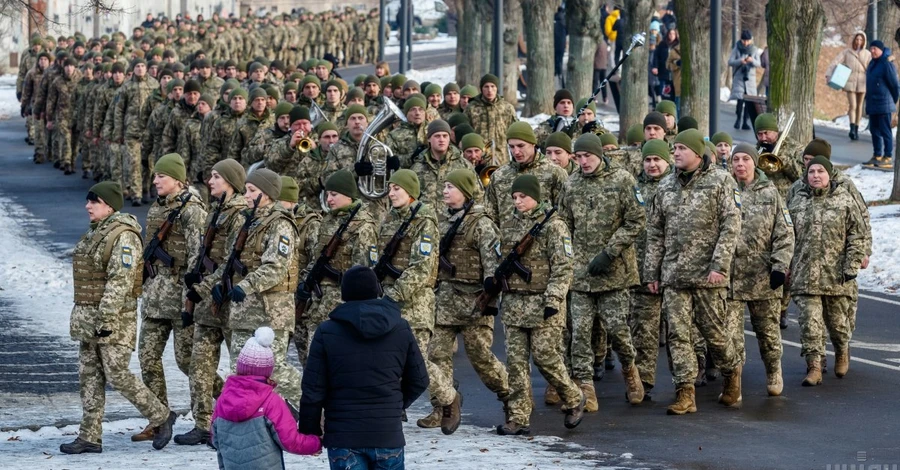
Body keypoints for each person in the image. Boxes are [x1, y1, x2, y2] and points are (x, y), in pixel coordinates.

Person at [61, 182, 176, 454]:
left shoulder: (123, 236)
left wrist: (106, 320)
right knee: (89, 378)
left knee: (117, 374)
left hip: (112, 321)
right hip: (88, 319)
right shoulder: (97, 232)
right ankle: (89, 436)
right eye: (89, 201)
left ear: (109, 205)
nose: (88, 206)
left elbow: (120, 282)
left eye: (94, 202)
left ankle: (161, 415)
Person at [644, 129, 743, 415]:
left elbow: (731, 226)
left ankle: (731, 370)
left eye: (681, 149)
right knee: (677, 335)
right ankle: (685, 392)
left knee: (714, 335)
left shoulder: (721, 181)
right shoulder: (665, 186)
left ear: (698, 154)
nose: (674, 153)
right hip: (674, 275)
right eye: (674, 149)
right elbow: (655, 233)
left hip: (708, 276)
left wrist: (719, 266)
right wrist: (652, 272)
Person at [299, 267, 429, 470]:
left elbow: (313, 389)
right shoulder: (400, 328)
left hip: (343, 436)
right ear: (377, 290)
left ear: (344, 293)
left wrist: (310, 430)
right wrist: (394, 406)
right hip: (387, 434)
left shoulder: (326, 332)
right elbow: (420, 379)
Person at [558, 133, 646, 410]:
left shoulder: (622, 180)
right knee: (580, 333)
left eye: (588, 156)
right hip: (581, 274)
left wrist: (610, 252)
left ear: (600, 155)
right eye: (579, 157)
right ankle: (585, 387)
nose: (583, 161)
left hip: (613, 271)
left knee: (618, 330)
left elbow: (636, 220)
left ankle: (630, 371)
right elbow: (562, 225)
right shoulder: (571, 184)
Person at [494, 174, 585, 435]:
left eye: (523, 196)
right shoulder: (509, 224)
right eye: (514, 197)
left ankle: (572, 397)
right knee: (516, 363)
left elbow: (563, 266)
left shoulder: (554, 226)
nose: (518, 201)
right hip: (514, 303)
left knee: (546, 358)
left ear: (536, 196)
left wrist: (554, 298)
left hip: (544, 303)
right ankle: (519, 417)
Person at [376, 169, 462, 434]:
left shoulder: (424, 222)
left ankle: (449, 398)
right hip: (389, 300)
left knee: (417, 362)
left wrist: (394, 295)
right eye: (390, 188)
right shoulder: (391, 219)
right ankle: (391, 409)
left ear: (410, 192)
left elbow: (421, 268)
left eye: (397, 189)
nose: (391, 193)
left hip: (414, 303)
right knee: (386, 360)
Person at [424, 169, 510, 428]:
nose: (445, 191)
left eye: (451, 186)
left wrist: (489, 289)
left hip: (474, 302)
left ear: (465, 191)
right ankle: (444, 406)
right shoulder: (442, 220)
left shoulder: (481, 223)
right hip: (446, 299)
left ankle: (511, 398)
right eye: (445, 186)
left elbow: (494, 263)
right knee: (436, 355)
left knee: (482, 359)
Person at [134, 153, 207, 442]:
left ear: (177, 179)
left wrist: (191, 296)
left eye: (160, 176)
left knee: (187, 361)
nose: (155, 181)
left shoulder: (193, 211)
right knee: (147, 358)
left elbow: (196, 256)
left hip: (180, 299)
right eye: (154, 176)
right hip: (154, 299)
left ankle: (221, 400)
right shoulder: (157, 208)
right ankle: (159, 417)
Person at [176, 159, 248, 446]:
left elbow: (232, 262)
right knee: (199, 366)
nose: (210, 181)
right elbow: (204, 252)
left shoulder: (240, 214)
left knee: (241, 369)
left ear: (231, 181)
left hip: (228, 299)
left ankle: (247, 420)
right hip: (208, 301)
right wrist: (193, 280)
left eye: (217, 177)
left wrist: (202, 288)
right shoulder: (216, 211)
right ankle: (203, 423)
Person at [788, 156, 866, 386]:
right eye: (812, 172)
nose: (816, 176)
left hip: (836, 275)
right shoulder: (797, 201)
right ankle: (814, 365)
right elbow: (784, 235)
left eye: (820, 171)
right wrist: (785, 264)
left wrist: (851, 265)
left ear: (829, 175)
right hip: (805, 274)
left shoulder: (844, 200)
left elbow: (857, 235)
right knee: (809, 322)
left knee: (838, 324)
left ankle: (842, 350)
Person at [727, 144, 794, 396]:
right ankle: (734, 379)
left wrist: (779, 265)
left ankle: (773, 370)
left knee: (767, 334)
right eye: (736, 159)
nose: (740, 164)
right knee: (731, 336)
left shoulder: (770, 192)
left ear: (755, 163)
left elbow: (785, 231)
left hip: (762, 276)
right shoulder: (723, 188)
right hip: (730, 277)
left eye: (746, 159)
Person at [212, 327, 322, 469]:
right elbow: (290, 441)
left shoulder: (223, 399)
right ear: (268, 370)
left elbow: (215, 439)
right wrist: (316, 442)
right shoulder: (271, 401)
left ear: (239, 366)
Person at [299, 170, 378, 364]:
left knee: (339, 361)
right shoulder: (328, 221)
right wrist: (305, 281)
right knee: (314, 359)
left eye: (334, 194)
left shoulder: (363, 226)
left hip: (342, 305)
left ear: (348, 195)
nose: (329, 199)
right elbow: (316, 259)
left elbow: (365, 273)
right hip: (318, 302)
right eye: (327, 194)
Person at [630, 140, 671, 394]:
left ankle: (687, 379)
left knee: (681, 332)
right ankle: (643, 379)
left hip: (675, 268)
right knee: (643, 328)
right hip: (642, 267)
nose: (652, 164)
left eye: (657, 159)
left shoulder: (675, 186)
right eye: (648, 160)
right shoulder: (633, 188)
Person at [826, 31, 871, 141]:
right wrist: (828, 74)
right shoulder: (847, 52)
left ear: (864, 41)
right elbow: (836, 62)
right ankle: (851, 128)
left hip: (862, 82)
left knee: (860, 106)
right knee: (853, 105)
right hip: (850, 81)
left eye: (861, 39)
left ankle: (856, 128)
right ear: (854, 40)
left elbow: (872, 67)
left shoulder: (867, 54)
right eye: (857, 39)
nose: (859, 41)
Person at [464, 74, 518, 164]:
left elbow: (515, 132)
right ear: (481, 89)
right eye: (486, 87)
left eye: (492, 86)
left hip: (502, 158)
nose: (490, 90)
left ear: (497, 88)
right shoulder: (471, 108)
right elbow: (465, 133)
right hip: (478, 159)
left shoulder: (507, 108)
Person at [863, 40, 900, 169]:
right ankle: (877, 155)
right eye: (871, 48)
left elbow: (895, 85)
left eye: (875, 49)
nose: (872, 51)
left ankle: (888, 157)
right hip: (873, 104)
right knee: (874, 130)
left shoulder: (886, 64)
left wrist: (892, 101)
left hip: (884, 104)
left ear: (881, 50)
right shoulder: (872, 63)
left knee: (885, 131)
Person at [728, 30, 762, 130]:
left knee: (749, 102)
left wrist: (752, 60)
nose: (746, 43)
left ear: (751, 40)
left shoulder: (754, 50)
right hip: (739, 78)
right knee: (740, 100)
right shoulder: (737, 48)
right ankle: (738, 119)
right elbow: (730, 61)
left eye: (747, 41)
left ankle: (745, 122)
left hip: (750, 80)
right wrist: (740, 61)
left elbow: (758, 64)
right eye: (744, 41)